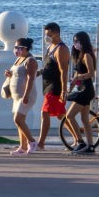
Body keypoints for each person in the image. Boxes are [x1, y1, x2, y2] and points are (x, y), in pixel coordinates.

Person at [36, 22, 70, 150]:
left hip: (55, 86)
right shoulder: (51, 47)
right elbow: (47, 66)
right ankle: (79, 138)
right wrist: (39, 73)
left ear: (56, 33)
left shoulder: (61, 49)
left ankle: (40, 143)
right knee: (62, 116)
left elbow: (63, 71)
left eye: (49, 35)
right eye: (46, 35)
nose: (47, 37)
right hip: (47, 85)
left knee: (45, 113)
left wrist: (64, 90)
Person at [4, 37, 39, 155]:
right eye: (15, 47)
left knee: (18, 119)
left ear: (26, 49)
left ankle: (32, 141)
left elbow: (31, 79)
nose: (16, 50)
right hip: (16, 96)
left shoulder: (30, 61)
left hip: (26, 95)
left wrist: (26, 95)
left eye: (19, 48)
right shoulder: (18, 59)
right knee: (20, 121)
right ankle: (22, 147)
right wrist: (9, 74)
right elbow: (17, 75)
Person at [65, 30, 97, 154]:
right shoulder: (79, 55)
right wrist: (69, 89)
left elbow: (91, 73)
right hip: (82, 89)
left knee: (69, 116)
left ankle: (80, 141)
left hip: (86, 90)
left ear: (83, 41)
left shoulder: (87, 55)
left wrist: (79, 78)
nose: (75, 44)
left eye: (77, 41)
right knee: (85, 120)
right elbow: (76, 75)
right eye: (74, 41)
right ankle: (90, 146)